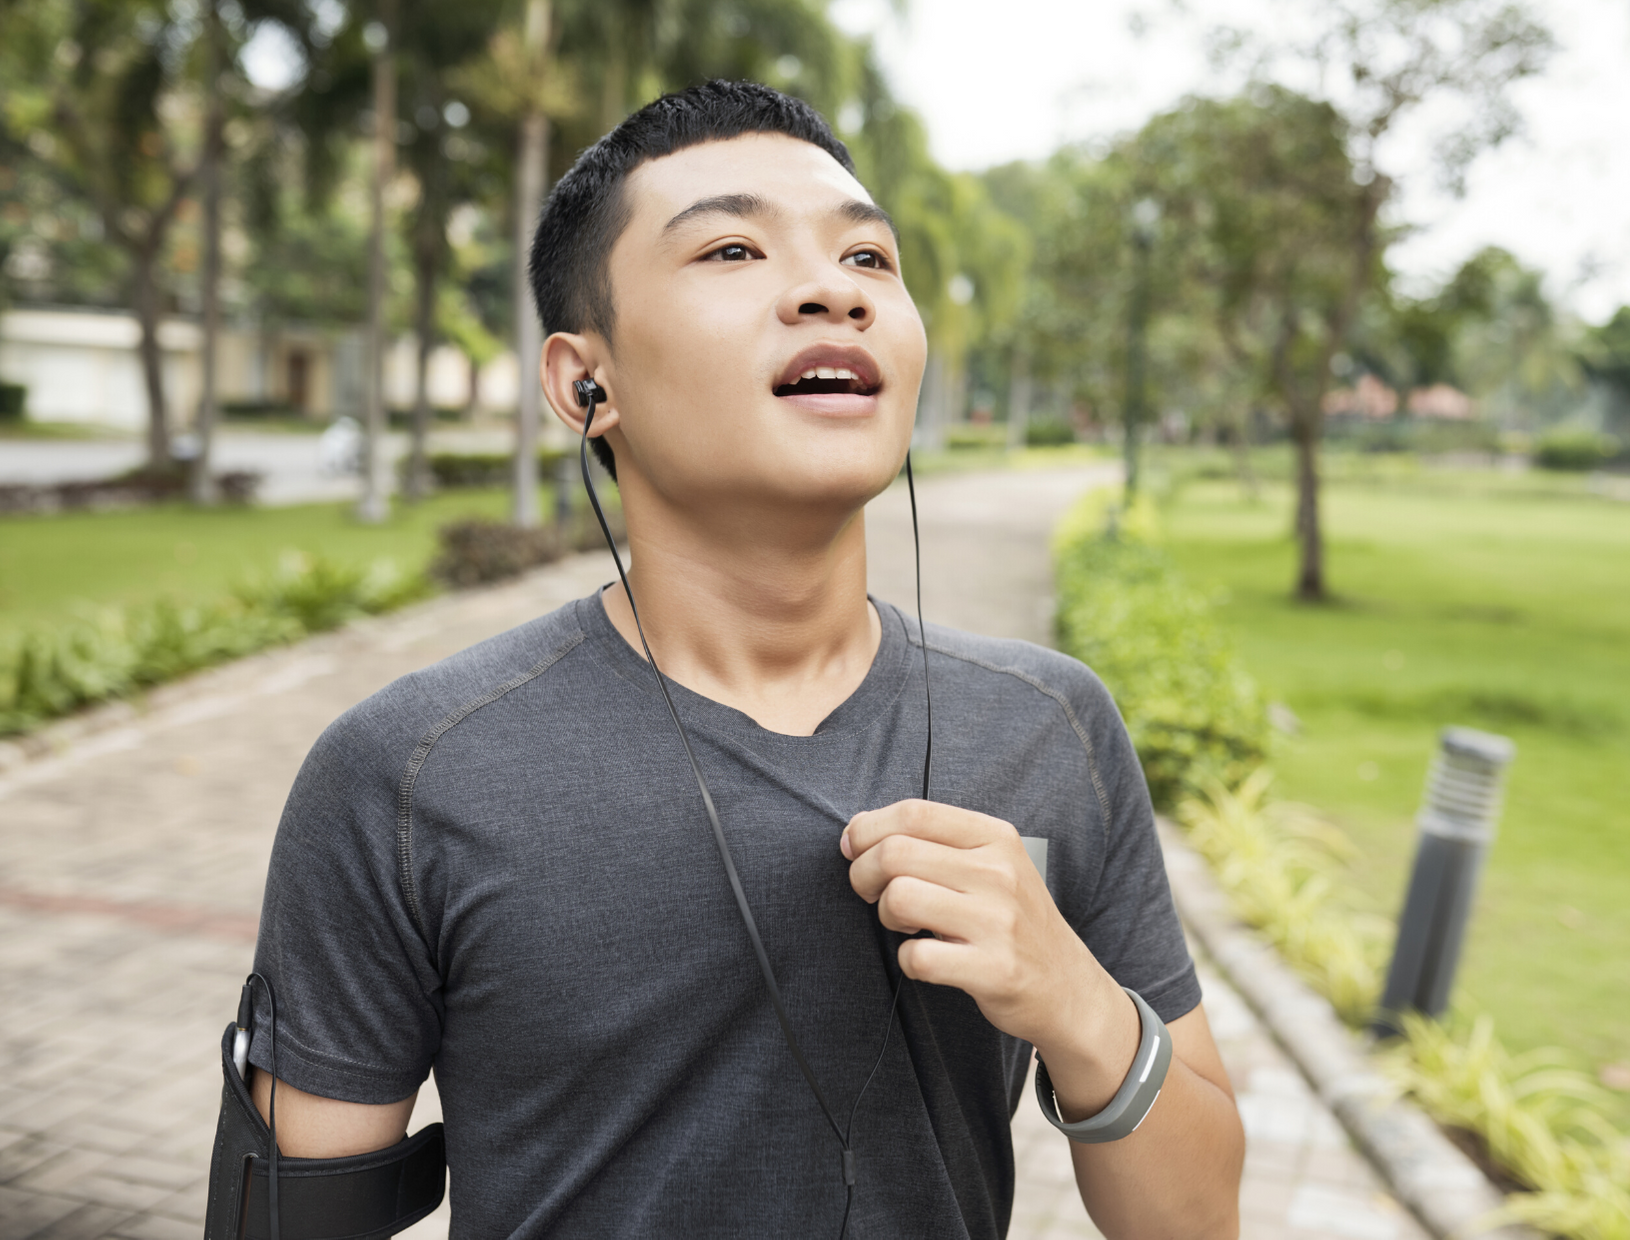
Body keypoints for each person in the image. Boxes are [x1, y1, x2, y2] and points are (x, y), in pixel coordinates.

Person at [247, 80, 1243, 1239]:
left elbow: (1194, 1221)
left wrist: (1078, 1003)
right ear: (585, 383)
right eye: (731, 248)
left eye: (869, 258)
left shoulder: (1051, 724)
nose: (833, 289)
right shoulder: (407, 775)